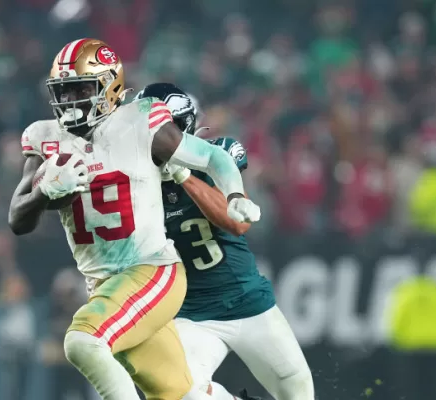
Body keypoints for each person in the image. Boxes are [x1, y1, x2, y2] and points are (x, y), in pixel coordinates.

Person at [8, 38, 261, 400]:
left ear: (109, 86)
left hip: (152, 270)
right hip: (105, 286)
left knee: (82, 341)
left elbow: (210, 157)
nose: (70, 101)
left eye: (81, 88)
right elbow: (18, 218)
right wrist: (44, 192)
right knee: (184, 394)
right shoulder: (45, 137)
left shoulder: (140, 121)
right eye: (63, 92)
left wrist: (234, 193)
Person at [135, 83, 315, 400]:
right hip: (193, 314)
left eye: (159, 130)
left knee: (299, 394)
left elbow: (239, 223)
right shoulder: (134, 185)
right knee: (176, 393)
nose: (153, 140)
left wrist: (184, 176)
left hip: (248, 303)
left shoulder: (216, 155)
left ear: (181, 126)